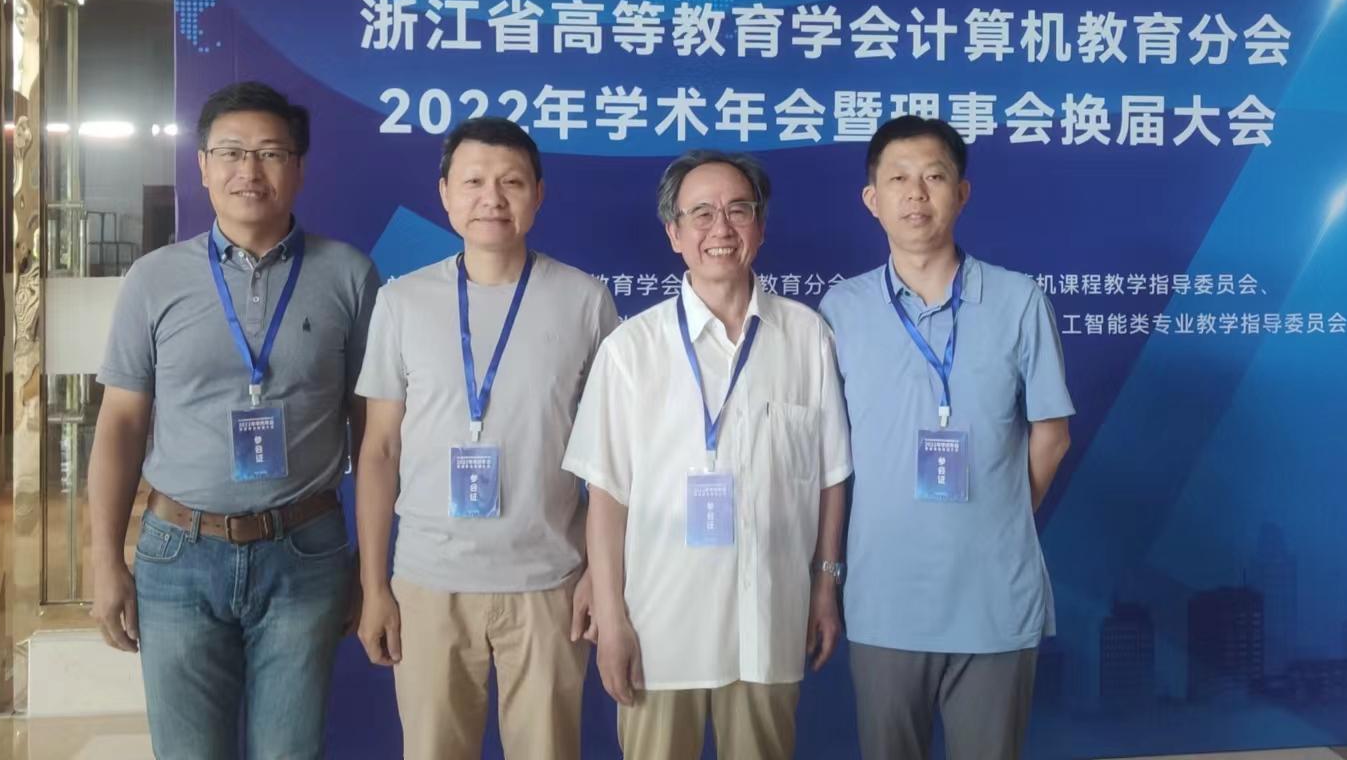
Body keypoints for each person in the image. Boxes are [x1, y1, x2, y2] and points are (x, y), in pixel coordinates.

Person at [88, 81, 380, 760]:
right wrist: (104, 559)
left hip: (305, 553)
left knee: (290, 751)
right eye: (231, 152)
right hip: (177, 553)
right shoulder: (153, 279)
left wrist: (370, 569)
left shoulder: (348, 275)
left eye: (271, 153)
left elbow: (373, 435)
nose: (250, 170)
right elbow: (120, 426)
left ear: (299, 168)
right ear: (202, 165)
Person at [563, 150, 852, 760]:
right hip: (659, 632)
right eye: (701, 214)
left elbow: (830, 477)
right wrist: (611, 620)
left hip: (768, 626)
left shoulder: (807, 338)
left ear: (760, 227)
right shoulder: (630, 349)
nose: (721, 228)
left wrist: (825, 586)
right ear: (674, 233)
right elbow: (606, 498)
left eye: (738, 211)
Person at [352, 117, 620, 760]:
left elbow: (615, 456)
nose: (491, 199)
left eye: (511, 183)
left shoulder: (585, 300)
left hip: (550, 583)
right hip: (429, 585)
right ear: (445, 193)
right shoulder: (401, 302)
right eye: (473, 182)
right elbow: (380, 450)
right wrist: (375, 586)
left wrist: (598, 575)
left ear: (538, 194)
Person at [819, 115, 1074, 760]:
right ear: (871, 200)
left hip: (994, 598)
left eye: (934, 177)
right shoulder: (839, 311)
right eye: (898, 179)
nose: (916, 193)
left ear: (961, 194)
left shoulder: (1019, 300)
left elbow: (1052, 435)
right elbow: (826, 456)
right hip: (884, 598)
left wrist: (1000, 514)